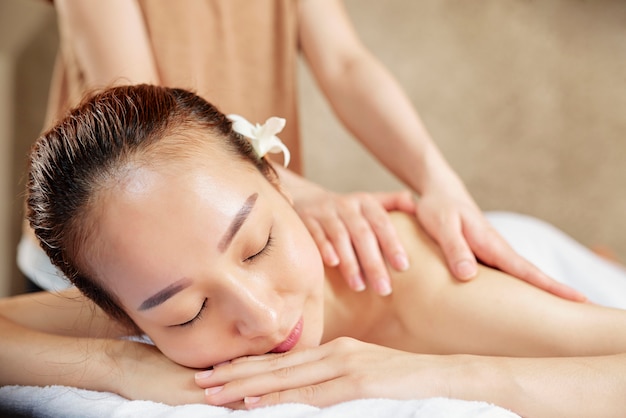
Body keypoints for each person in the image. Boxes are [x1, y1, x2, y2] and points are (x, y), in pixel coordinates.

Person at [2, 85, 625, 417]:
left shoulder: (423, 292)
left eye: (259, 246)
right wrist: (123, 369)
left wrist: (447, 372)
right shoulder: (142, 293)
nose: (266, 319)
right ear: (122, 317)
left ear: (278, 182)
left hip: (495, 249)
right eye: (186, 313)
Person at [19, 0, 583, 300]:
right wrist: (281, 190)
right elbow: (143, 112)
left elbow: (345, 64)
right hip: (121, 239)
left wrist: (438, 180)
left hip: (247, 206)